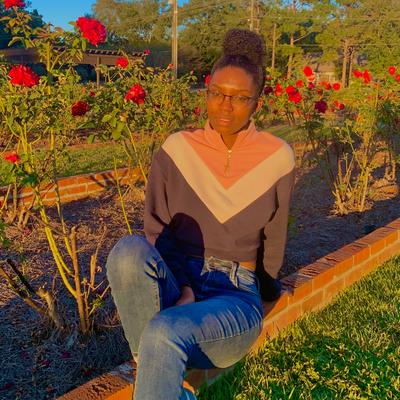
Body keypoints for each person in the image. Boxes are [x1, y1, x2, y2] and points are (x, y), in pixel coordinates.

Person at [106, 28, 295, 400]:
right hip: (179, 283)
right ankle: (166, 376)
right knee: (128, 252)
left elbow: (274, 238)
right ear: (206, 92)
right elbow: (157, 229)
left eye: (240, 97)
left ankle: (160, 366)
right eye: (217, 93)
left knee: (163, 331)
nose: (225, 105)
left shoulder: (277, 156)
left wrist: (267, 294)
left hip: (235, 294)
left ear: (257, 103)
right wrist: (185, 287)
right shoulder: (178, 149)